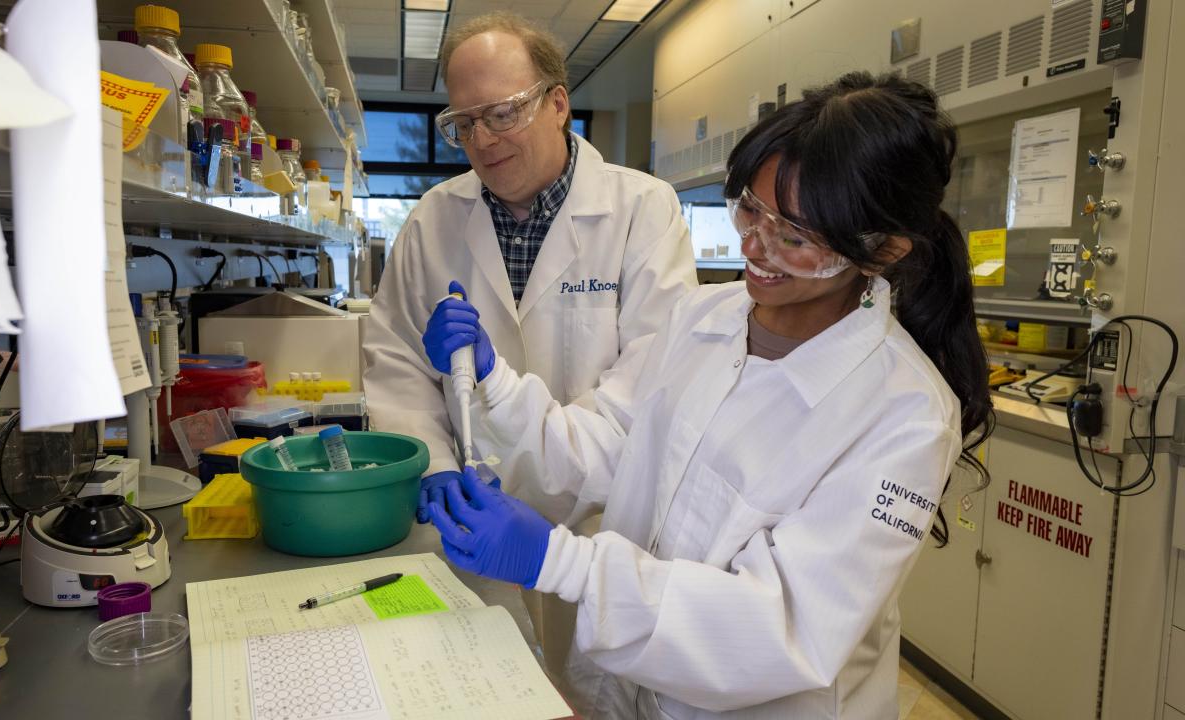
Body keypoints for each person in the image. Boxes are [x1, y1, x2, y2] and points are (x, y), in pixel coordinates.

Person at [420, 72, 994, 719]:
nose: (755, 247)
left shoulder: (907, 415)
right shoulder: (702, 317)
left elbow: (782, 627)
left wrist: (561, 563)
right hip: (623, 696)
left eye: (795, 238)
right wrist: (498, 385)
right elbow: (615, 443)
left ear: (882, 249)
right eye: (751, 209)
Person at [361, 11, 697, 686]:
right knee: (482, 685)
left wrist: (537, 443)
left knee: (595, 690)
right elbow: (394, 357)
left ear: (558, 104)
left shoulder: (642, 211)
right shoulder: (432, 220)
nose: (482, 140)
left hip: (600, 525)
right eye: (464, 122)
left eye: (503, 113)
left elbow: (648, 392)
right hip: (470, 524)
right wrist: (431, 466)